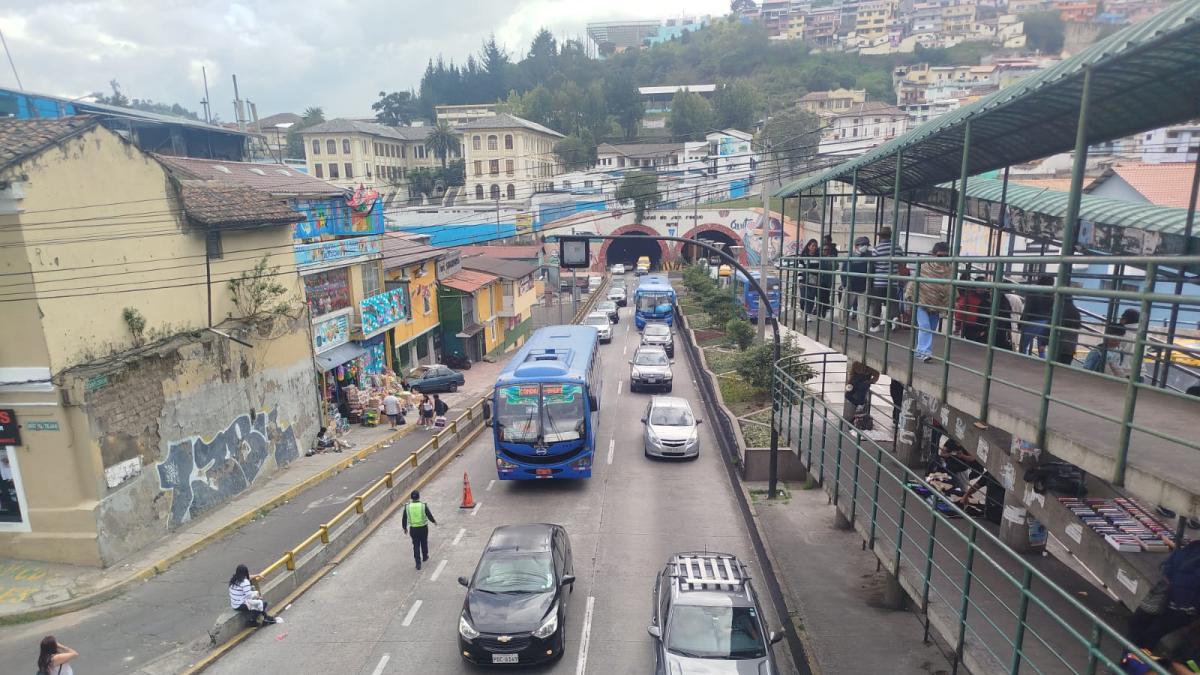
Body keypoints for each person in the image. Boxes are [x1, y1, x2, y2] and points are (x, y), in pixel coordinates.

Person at [1129, 540, 1200, 650]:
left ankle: (1135, 663)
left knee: (1150, 634)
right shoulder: (1194, 546)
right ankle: (1129, 660)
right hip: (1164, 596)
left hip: (1184, 608)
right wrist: (1168, 572)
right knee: (1136, 623)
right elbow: (1169, 562)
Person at [905, 241, 952, 363]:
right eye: (940, 256)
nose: (942, 259)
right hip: (922, 301)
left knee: (929, 329)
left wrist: (950, 302)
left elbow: (949, 288)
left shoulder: (949, 270)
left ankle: (919, 352)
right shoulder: (924, 267)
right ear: (933, 254)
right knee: (924, 326)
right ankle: (925, 352)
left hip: (937, 303)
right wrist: (909, 295)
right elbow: (913, 281)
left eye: (945, 256)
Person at [868, 227, 905, 332]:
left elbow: (872, 264)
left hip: (879, 281)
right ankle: (894, 319)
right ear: (890, 236)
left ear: (880, 236)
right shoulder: (897, 248)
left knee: (877, 303)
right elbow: (902, 263)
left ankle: (875, 325)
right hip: (893, 281)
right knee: (892, 302)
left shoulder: (877, 248)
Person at [840, 236, 873, 333]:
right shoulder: (850, 257)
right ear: (856, 246)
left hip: (864, 286)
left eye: (866, 245)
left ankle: (862, 331)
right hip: (850, 286)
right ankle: (841, 327)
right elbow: (844, 271)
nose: (865, 247)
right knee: (844, 308)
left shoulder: (869, 256)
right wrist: (845, 284)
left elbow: (872, 270)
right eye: (863, 245)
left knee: (863, 310)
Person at [1019, 274, 1055, 357]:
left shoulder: (1033, 291)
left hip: (1032, 321)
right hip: (1046, 322)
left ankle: (1022, 362)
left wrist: (1021, 322)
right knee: (1041, 349)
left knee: (1023, 346)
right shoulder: (1052, 294)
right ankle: (1042, 366)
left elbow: (1027, 308)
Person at [402, 490, 438, 570]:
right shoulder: (423, 505)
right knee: (424, 542)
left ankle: (418, 564)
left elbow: (404, 518)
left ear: (411, 498)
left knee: (416, 545)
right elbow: (429, 515)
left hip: (413, 529)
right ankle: (425, 556)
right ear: (419, 497)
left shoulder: (407, 507)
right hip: (423, 528)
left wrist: (404, 528)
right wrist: (434, 521)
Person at [953, 273, 989, 344]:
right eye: (981, 286)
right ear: (976, 286)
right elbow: (960, 311)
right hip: (971, 327)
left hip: (984, 327)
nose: (983, 288)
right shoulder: (969, 297)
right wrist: (958, 326)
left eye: (985, 286)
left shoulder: (989, 297)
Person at [1055, 296, 1082, 365]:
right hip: (1071, 346)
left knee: (1055, 366)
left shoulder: (1060, 310)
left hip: (1060, 344)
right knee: (1066, 366)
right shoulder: (1076, 312)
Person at [799, 239, 821, 315]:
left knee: (811, 298)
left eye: (815, 246)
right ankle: (802, 309)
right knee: (803, 298)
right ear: (808, 246)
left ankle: (807, 314)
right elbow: (800, 269)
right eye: (812, 246)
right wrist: (800, 280)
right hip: (804, 279)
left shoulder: (818, 256)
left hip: (814, 279)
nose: (814, 247)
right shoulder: (803, 256)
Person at [817, 243, 838, 318]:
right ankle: (819, 311)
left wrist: (831, 260)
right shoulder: (819, 258)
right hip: (819, 281)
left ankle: (823, 311)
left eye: (828, 250)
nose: (826, 251)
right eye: (824, 250)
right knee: (819, 297)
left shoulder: (832, 258)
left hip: (828, 281)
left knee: (826, 297)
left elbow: (836, 267)